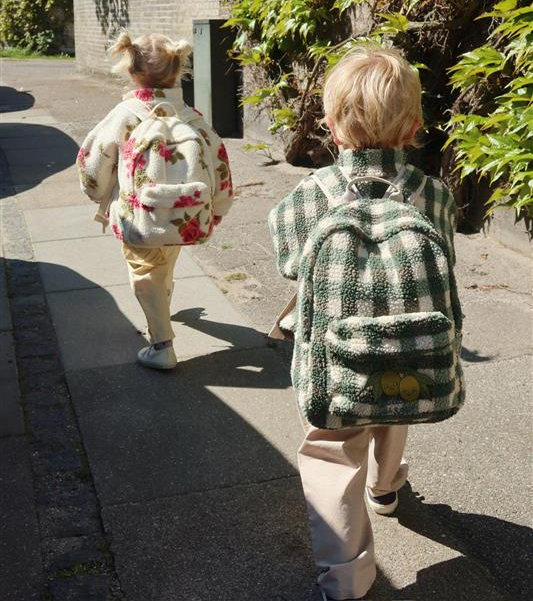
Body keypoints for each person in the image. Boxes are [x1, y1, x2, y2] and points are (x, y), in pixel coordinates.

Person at [268, 45, 459, 600]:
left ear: (330, 127)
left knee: (330, 446)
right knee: (395, 394)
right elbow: (445, 256)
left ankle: (347, 574)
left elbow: (289, 262)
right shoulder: (435, 194)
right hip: (411, 342)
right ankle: (385, 486)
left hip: (334, 351)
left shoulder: (309, 195)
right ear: (415, 128)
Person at [76, 32, 233, 370]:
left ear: (131, 71)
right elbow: (218, 159)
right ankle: (163, 299)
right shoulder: (191, 116)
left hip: (139, 217)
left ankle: (162, 345)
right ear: (178, 72)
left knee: (144, 273)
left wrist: (97, 194)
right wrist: (218, 207)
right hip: (184, 216)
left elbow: (94, 163)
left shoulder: (124, 115)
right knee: (165, 259)